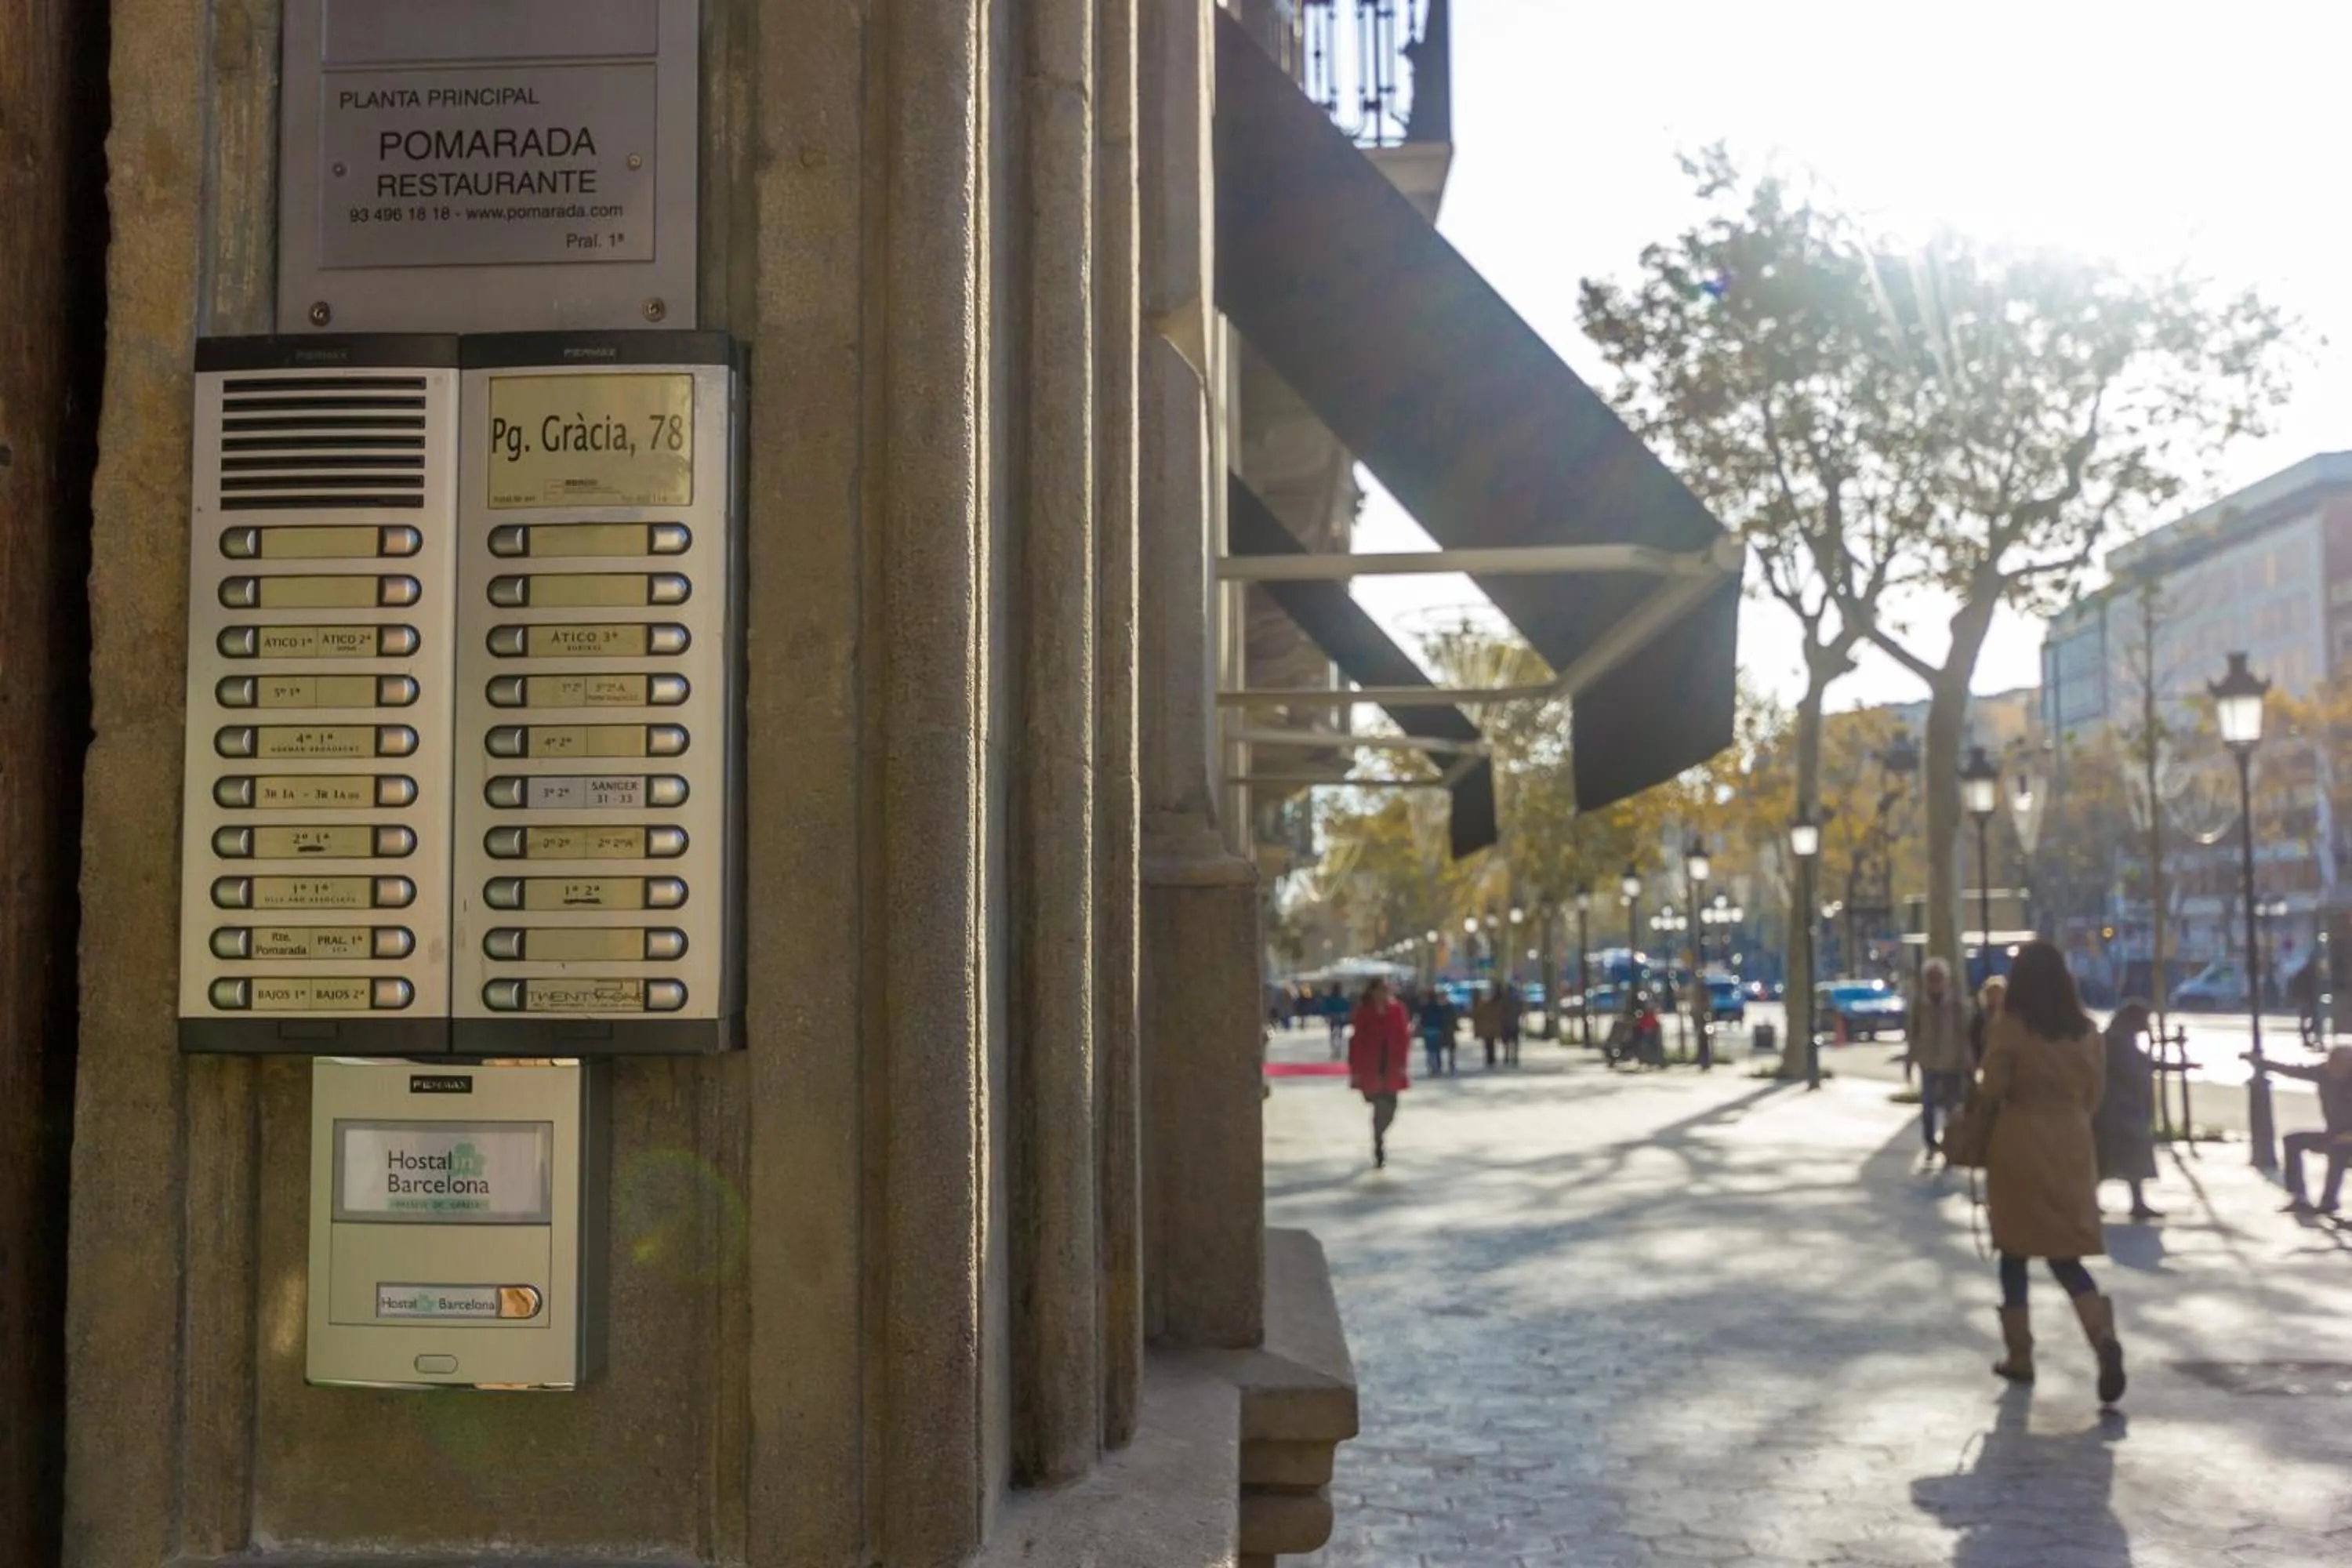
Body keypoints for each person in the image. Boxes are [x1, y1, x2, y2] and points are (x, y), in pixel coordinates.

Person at [1976, 941, 2126, 1405]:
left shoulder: (2013, 1025)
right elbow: (2094, 1095)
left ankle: (2020, 1356)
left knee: (2014, 1251)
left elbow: (1995, 1085)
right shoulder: (2086, 1030)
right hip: (2071, 1142)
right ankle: (2101, 1335)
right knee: (2065, 1254)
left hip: (2020, 1139)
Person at [2261, 1045, 2352, 1214]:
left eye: (2338, 1065)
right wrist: (2263, 1063)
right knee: (2292, 1140)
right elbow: (2294, 1071)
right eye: (2331, 1063)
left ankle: (2329, 1202)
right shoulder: (2323, 1073)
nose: (2333, 1068)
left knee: (2338, 1149)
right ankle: (2298, 1196)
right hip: (2334, 1134)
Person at [2095, 1000, 2163, 1221]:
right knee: (2114, 1155)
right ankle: (2133, 1203)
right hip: (2119, 1107)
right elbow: (2131, 1070)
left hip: (2121, 1106)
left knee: (2116, 1156)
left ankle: (2136, 1202)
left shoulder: (2118, 1037)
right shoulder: (2117, 1040)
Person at [1907, 958, 1971, 1158]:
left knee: (1951, 1107)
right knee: (1928, 1105)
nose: (1935, 983)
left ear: (1946, 980)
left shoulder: (1956, 1003)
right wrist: (1909, 1060)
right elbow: (1913, 1033)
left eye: (1939, 978)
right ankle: (1930, 1142)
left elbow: (1964, 1033)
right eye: (1931, 979)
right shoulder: (1920, 1003)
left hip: (1952, 1060)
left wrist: (1968, 1059)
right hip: (1928, 1060)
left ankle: (1949, 1142)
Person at [1347, 978, 1411, 1168]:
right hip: (1371, 1066)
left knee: (1391, 1109)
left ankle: (1379, 1134)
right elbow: (1357, 1040)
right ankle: (1378, 1144)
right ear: (1373, 992)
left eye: (1387, 989)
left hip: (1392, 1065)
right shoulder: (1364, 1012)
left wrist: (1403, 1062)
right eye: (1382, 990)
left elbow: (1403, 1036)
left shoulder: (1397, 1009)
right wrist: (1356, 1070)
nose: (1385, 993)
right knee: (1378, 1105)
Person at [1968, 973, 2007, 1068]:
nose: (1995, 997)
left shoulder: (2010, 1018)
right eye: (1991, 992)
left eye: (1998, 992)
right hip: (1984, 1063)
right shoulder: (1979, 1018)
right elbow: (1973, 1043)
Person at [1417, 986, 1457, 1079]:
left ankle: (1433, 1067)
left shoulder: (1424, 1007)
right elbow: (1442, 1018)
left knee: (1430, 1050)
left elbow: (1422, 1019)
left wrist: (1422, 1027)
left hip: (1428, 1030)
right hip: (1437, 1030)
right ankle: (1437, 1067)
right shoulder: (1439, 1007)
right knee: (1437, 1049)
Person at [1472, 984, 1503, 1069]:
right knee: (1490, 1044)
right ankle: (1491, 1059)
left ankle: (1490, 1060)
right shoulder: (1492, 1006)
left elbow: (1477, 1016)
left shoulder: (1480, 1005)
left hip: (1487, 1028)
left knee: (1488, 1045)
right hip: (1490, 1028)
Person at [1501, 981, 1524, 1067]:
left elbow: (1501, 1011)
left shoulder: (1504, 1000)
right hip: (1515, 1023)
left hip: (1506, 1024)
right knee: (1515, 1042)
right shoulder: (1517, 999)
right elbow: (1521, 1011)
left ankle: (1507, 1057)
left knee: (1507, 1042)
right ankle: (1515, 1057)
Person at [1323, 982, 1347, 1060]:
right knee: (1339, 1034)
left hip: (1333, 1017)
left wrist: (1326, 1016)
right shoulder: (1341, 998)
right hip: (1339, 1017)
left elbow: (1326, 1008)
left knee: (1333, 1034)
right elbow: (1345, 1007)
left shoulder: (1330, 998)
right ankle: (1337, 1049)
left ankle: (1335, 1049)